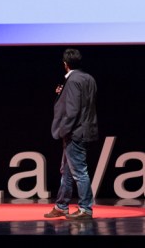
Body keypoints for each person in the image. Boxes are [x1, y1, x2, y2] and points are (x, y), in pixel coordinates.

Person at [44, 47, 99, 220]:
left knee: (80, 172)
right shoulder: (88, 78)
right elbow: (85, 104)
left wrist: (63, 130)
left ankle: (86, 208)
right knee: (67, 171)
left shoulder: (73, 80)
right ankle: (61, 206)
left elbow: (73, 110)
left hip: (75, 132)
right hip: (84, 129)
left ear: (65, 64)